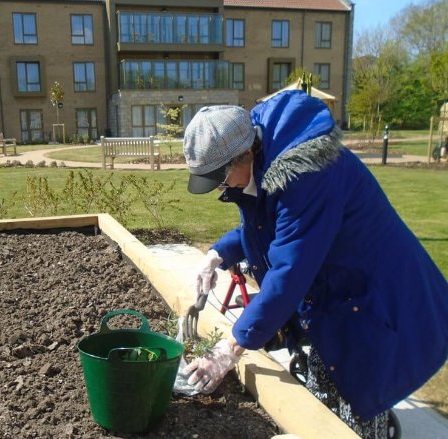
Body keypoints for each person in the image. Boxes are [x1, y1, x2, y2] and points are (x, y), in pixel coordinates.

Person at [181, 91, 448, 438]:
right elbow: (267, 226)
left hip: (375, 294)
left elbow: (288, 272)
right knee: (328, 394)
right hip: (342, 290)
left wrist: (230, 348)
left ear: (246, 153)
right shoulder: (267, 158)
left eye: (221, 178)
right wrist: (217, 254)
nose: (221, 190)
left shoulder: (307, 176)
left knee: (353, 405)